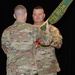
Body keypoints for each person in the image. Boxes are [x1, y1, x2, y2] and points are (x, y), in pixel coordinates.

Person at [1, 5, 52, 75]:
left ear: (14, 16)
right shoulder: (33, 29)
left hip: (12, 71)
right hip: (29, 71)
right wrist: (47, 30)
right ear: (26, 14)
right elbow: (47, 41)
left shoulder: (6, 32)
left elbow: (5, 49)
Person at [32, 6, 63, 75]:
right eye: (35, 14)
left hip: (49, 68)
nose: (37, 16)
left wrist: (47, 34)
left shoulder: (52, 29)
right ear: (32, 16)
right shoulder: (28, 30)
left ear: (44, 15)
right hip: (32, 68)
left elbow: (59, 44)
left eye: (40, 14)